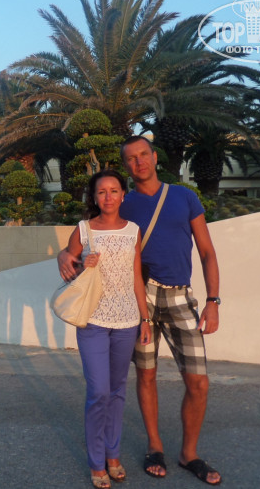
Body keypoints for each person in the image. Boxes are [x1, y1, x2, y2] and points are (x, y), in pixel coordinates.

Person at [58, 136, 222, 486]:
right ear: (125, 167)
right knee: (144, 375)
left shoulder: (184, 197)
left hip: (178, 297)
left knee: (198, 381)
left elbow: (207, 252)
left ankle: (189, 453)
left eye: (143, 155)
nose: (138, 162)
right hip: (139, 299)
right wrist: (63, 255)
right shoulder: (124, 203)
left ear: (155, 157)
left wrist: (213, 301)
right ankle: (154, 448)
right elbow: (84, 237)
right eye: (130, 158)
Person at [59, 169, 152, 489]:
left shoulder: (133, 230)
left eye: (114, 190)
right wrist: (77, 264)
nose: (108, 196)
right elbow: (67, 268)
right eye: (102, 192)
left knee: (117, 391)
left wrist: (145, 319)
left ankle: (113, 456)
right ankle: (96, 462)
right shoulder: (84, 230)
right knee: (99, 391)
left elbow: (136, 277)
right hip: (93, 321)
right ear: (94, 197)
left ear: (123, 195)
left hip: (127, 321)